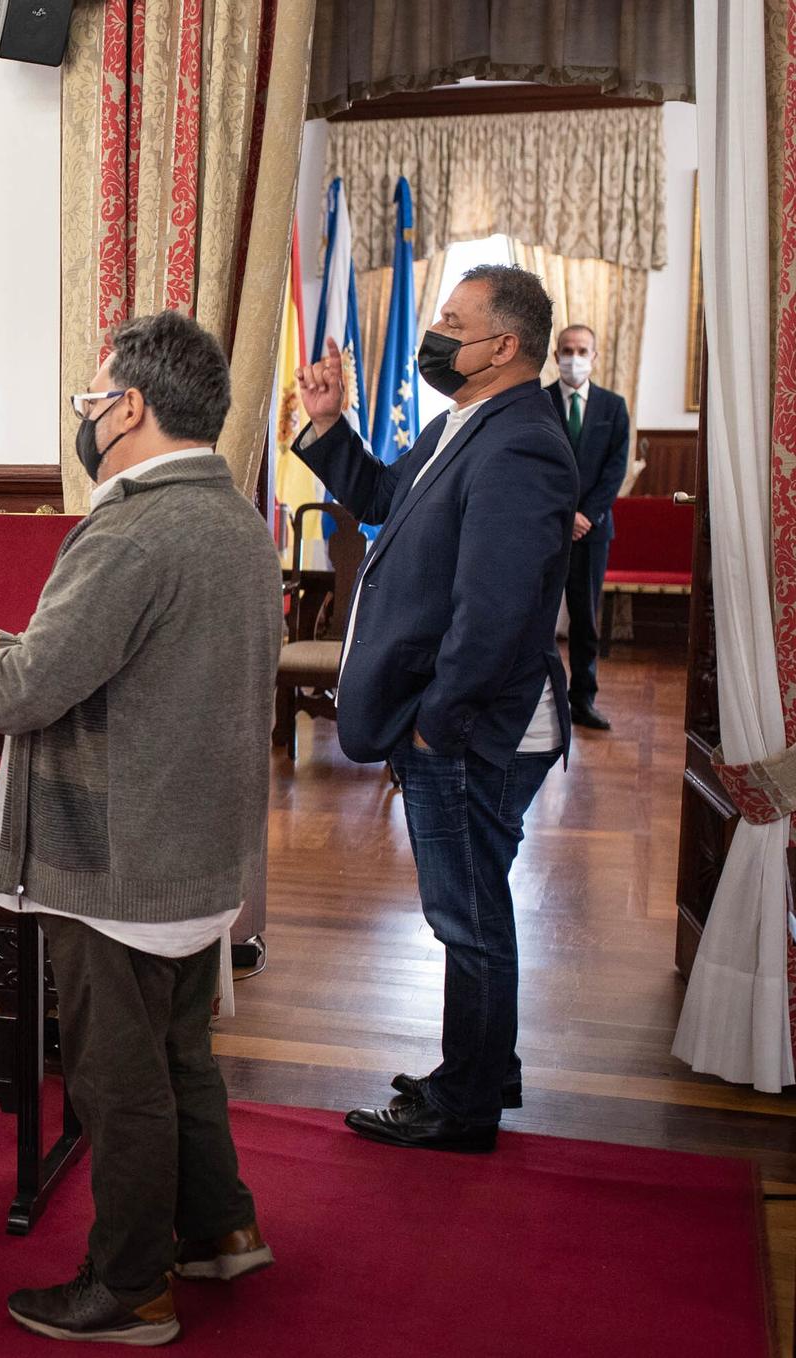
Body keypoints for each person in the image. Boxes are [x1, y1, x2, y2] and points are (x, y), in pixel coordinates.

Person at [0, 310, 283, 1347]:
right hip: (193, 846)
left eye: (89, 399)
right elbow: (145, 665)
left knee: (116, 1076)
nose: (84, 418)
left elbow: (31, 692)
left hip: (117, 855)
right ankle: (219, 1224)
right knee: (180, 1050)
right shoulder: (229, 515)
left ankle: (129, 1284)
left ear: (128, 406)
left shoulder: (133, 523)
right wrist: (9, 639)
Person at [292, 264, 577, 1153]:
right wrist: (331, 423)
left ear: (502, 346)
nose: (436, 332)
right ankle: (482, 1072)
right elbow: (384, 504)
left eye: (454, 320)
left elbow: (493, 612)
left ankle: (466, 1108)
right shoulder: (472, 420)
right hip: (455, 720)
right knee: (475, 910)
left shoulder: (522, 440)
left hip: (469, 728)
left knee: (468, 917)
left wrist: (435, 722)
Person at [545, 324, 631, 731]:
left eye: (582, 350)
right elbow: (534, 468)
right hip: (545, 529)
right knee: (536, 617)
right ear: (554, 353)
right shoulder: (538, 402)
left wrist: (586, 515)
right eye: (567, 349)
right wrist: (563, 515)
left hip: (592, 532)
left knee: (585, 619)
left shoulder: (613, 407)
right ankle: (534, 699)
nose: (574, 357)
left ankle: (583, 700)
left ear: (594, 356)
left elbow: (615, 470)